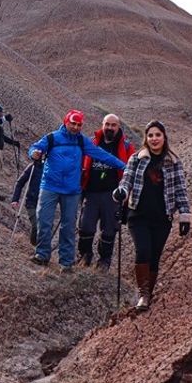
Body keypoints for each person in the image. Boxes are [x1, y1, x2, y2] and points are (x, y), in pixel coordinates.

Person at [28, 110, 127, 272]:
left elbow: (102, 155)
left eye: (79, 124)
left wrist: (124, 165)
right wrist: (34, 153)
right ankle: (42, 255)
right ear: (66, 122)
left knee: (68, 227)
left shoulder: (82, 141)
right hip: (50, 187)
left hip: (72, 190)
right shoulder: (52, 138)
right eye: (72, 123)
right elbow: (35, 147)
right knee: (44, 221)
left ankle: (66, 262)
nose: (75, 127)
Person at [113, 120, 192, 311]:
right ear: (146, 139)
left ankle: (150, 292)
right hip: (138, 214)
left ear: (164, 137)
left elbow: (181, 190)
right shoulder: (137, 159)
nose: (154, 139)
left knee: (155, 256)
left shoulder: (173, 162)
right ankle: (144, 294)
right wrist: (120, 192)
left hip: (162, 216)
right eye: (150, 135)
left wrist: (185, 215)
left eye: (158, 135)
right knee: (144, 250)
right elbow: (127, 180)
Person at [78, 114, 135, 270]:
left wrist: (127, 193)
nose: (110, 128)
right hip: (91, 192)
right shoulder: (92, 142)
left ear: (118, 127)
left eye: (113, 125)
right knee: (85, 226)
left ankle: (104, 260)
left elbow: (131, 170)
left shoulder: (126, 147)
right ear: (102, 125)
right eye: (107, 124)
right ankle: (84, 255)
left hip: (113, 195)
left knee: (109, 229)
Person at [11, 157, 44, 245]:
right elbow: (20, 183)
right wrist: (15, 199)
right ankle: (34, 245)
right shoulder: (34, 167)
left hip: (45, 203)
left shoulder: (53, 168)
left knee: (44, 227)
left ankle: (39, 248)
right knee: (36, 225)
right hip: (31, 202)